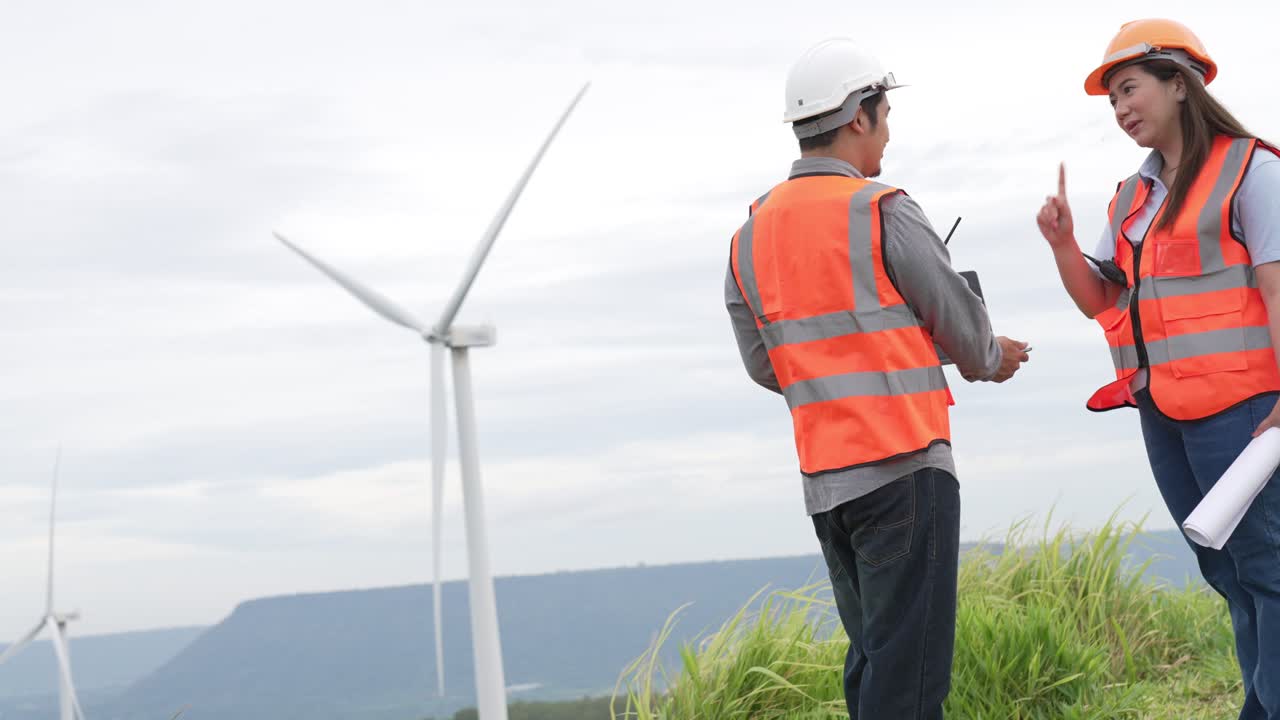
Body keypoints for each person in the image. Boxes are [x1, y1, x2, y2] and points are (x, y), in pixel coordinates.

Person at [725, 37, 1029, 718]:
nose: (887, 134)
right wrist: (989, 356)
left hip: (827, 484)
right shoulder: (880, 208)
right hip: (904, 465)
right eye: (885, 116)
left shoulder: (749, 234)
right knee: (909, 678)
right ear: (859, 115)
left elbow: (766, 363)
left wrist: (849, 366)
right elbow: (962, 326)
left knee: (873, 663)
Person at [1036, 18, 1280, 719]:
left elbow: (1276, 288)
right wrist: (1063, 245)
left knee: (1268, 573)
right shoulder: (1131, 197)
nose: (1120, 108)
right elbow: (1103, 301)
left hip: (1246, 410)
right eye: (1113, 97)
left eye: (1130, 88)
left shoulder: (1252, 170)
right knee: (1228, 574)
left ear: (1180, 83)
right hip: (1166, 413)